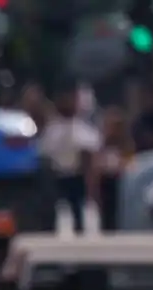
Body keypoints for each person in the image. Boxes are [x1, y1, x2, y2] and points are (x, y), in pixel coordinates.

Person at [40, 88, 99, 234]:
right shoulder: (52, 129)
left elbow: (89, 151)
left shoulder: (82, 128)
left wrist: (90, 179)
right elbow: (45, 152)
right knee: (55, 208)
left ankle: (79, 231)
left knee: (77, 207)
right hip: (57, 175)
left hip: (76, 175)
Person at [94, 107, 132, 232]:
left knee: (119, 210)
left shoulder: (125, 143)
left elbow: (130, 161)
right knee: (106, 210)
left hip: (120, 179)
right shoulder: (103, 143)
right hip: (105, 180)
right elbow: (97, 163)